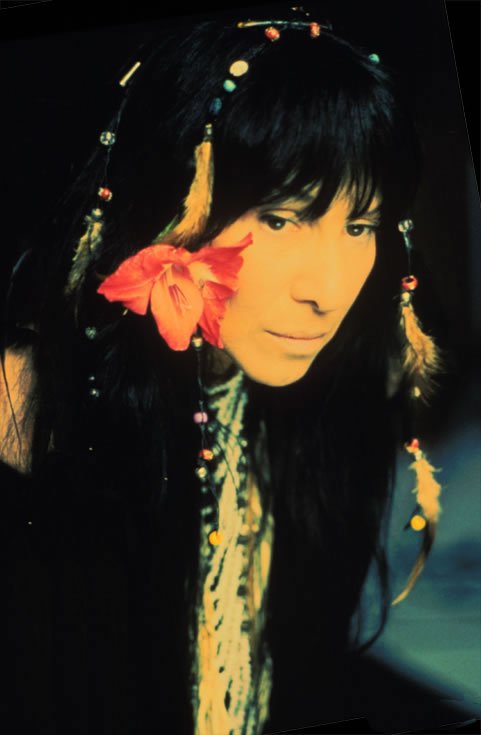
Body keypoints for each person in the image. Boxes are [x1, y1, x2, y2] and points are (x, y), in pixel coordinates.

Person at [1, 9, 447, 735]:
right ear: (173, 204)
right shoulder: (28, 407)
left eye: (359, 226)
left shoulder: (335, 399)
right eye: (280, 218)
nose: (328, 290)